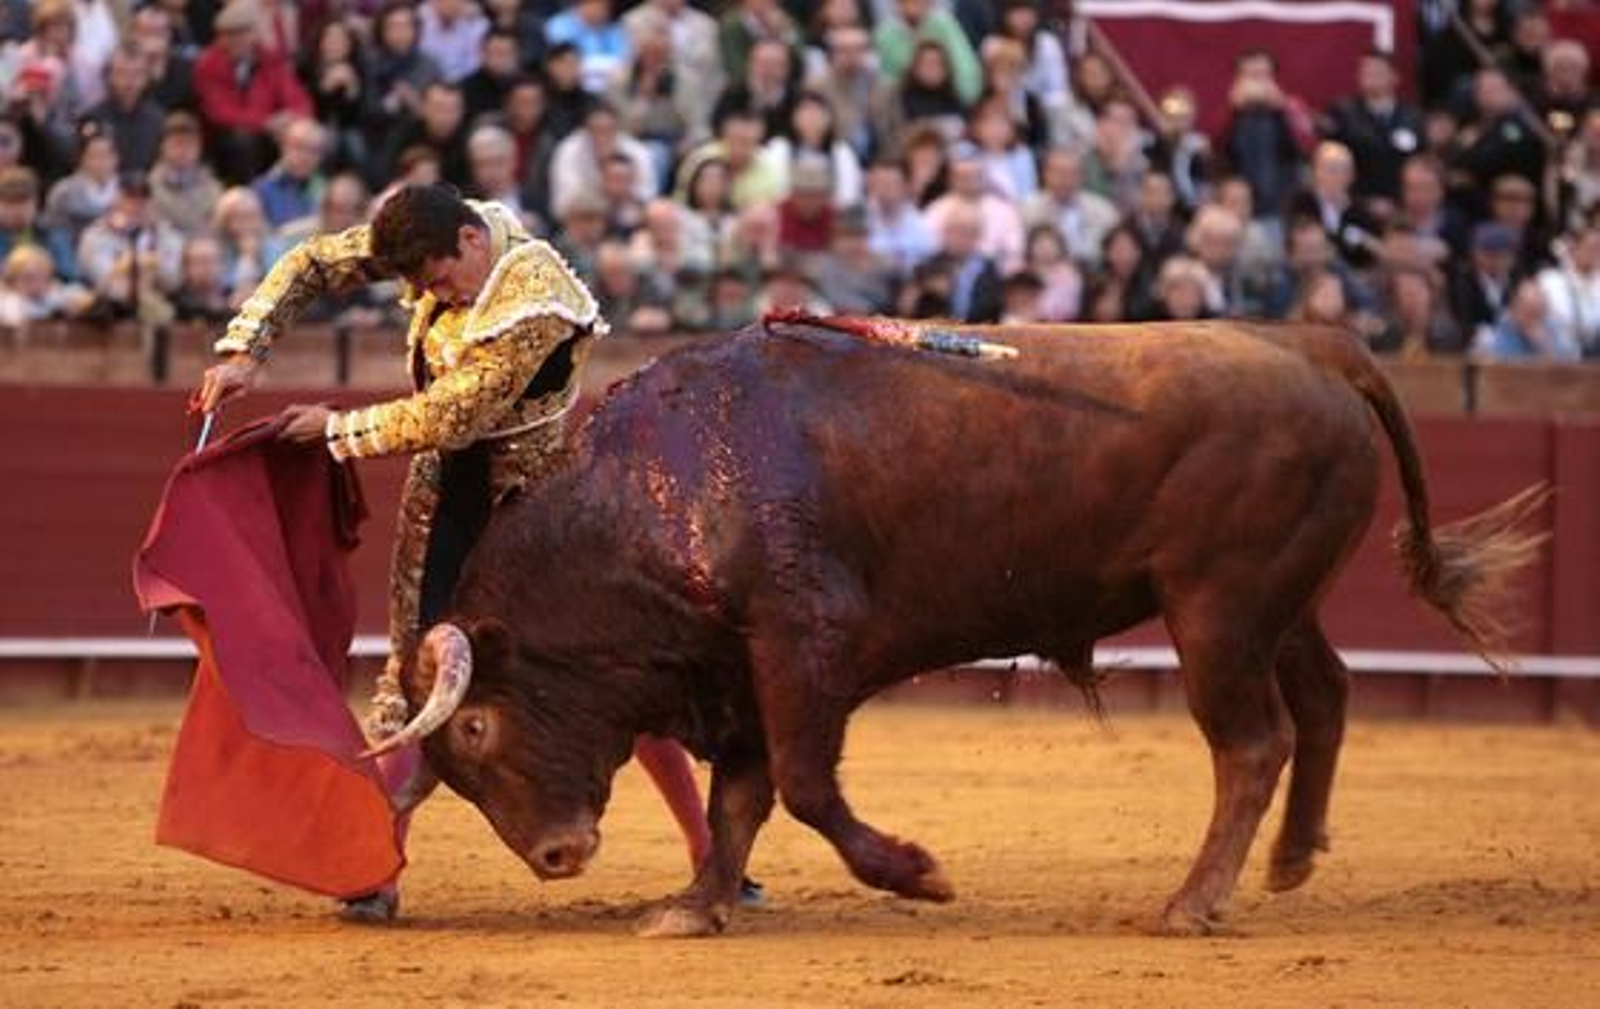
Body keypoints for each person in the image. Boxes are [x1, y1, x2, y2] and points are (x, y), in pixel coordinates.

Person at [192, 183, 716, 922]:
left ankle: (709, 853)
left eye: (440, 280)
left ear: (472, 242)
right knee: (417, 677)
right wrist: (245, 351)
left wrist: (337, 431)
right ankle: (376, 871)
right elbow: (313, 262)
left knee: (615, 671)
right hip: (445, 499)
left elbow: (455, 415)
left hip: (536, 511)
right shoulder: (435, 237)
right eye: (423, 286)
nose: (436, 295)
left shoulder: (535, 301)